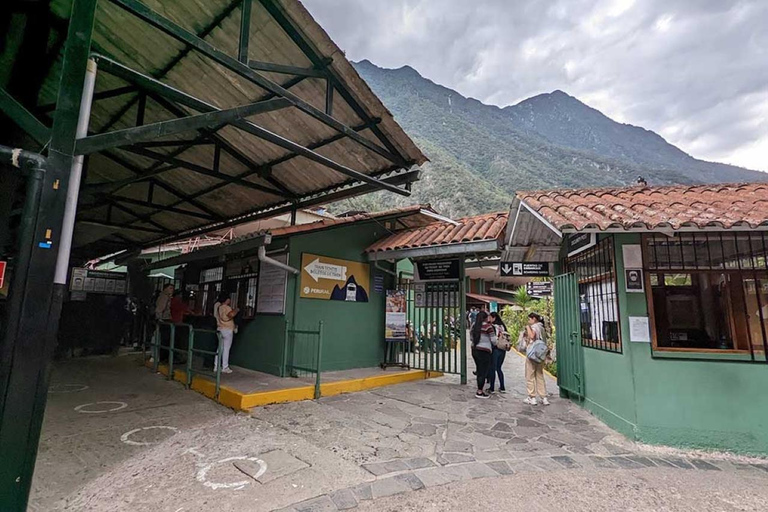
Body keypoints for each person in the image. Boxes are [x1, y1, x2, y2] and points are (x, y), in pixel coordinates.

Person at [524, 313, 550, 406]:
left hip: (533, 354)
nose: (529, 321)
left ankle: (532, 397)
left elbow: (532, 336)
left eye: (529, 319)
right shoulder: (542, 327)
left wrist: (528, 327)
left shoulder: (534, 327)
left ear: (534, 319)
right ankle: (544, 397)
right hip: (540, 354)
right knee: (539, 375)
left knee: (530, 375)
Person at [470, 310, 494, 399]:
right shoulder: (488, 327)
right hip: (485, 351)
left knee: (479, 370)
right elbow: (494, 341)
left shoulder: (474, 326)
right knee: (483, 371)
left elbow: (471, 337)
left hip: (475, 350)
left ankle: (479, 389)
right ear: (485, 318)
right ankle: (480, 391)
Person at [215, 292, 239, 374]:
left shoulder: (219, 307)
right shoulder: (227, 307)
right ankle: (225, 367)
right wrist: (236, 310)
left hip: (220, 329)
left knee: (219, 348)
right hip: (227, 330)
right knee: (226, 348)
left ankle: (216, 366)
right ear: (227, 299)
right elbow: (230, 315)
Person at [487, 311, 508, 394]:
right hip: (503, 349)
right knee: (499, 368)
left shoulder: (493, 326)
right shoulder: (503, 326)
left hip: (495, 348)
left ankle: (492, 388)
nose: (489, 319)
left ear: (494, 318)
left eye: (490, 317)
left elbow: (492, 338)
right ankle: (502, 386)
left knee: (492, 368)